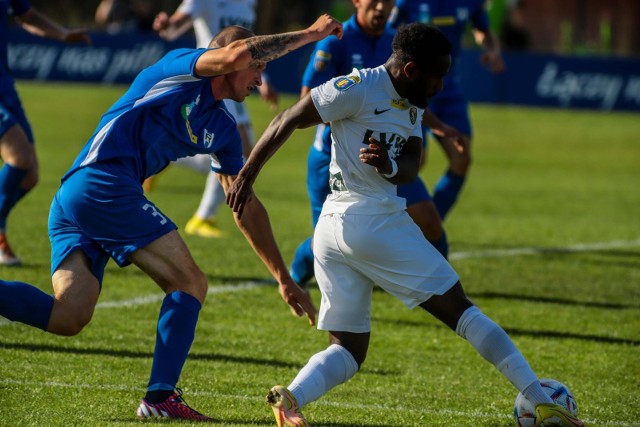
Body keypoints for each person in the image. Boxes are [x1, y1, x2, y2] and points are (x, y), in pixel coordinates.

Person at [226, 23, 584, 427]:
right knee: (462, 312)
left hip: (333, 231)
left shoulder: (409, 99)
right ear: (411, 69)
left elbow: (411, 163)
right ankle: (542, 401)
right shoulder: (358, 86)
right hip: (371, 222)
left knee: (348, 349)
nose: (441, 85)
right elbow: (288, 118)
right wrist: (246, 175)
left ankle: (291, 398)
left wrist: (389, 164)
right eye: (438, 75)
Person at [0, 15, 343, 421]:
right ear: (229, 61)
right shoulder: (179, 68)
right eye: (257, 68)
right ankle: (160, 397)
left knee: (68, 315)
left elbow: (244, 203)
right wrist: (311, 34)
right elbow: (235, 52)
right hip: (101, 183)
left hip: (83, 197)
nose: (260, 79)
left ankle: (159, 397)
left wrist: (283, 278)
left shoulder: (222, 126)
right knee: (190, 281)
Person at [290, 0, 462, 289]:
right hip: (334, 158)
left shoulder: (397, 44)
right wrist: (349, 124)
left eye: (388, 0)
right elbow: (309, 96)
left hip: (388, 153)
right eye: (375, 0)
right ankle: (296, 273)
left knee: (430, 222)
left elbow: (411, 96)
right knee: (329, 236)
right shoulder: (336, 41)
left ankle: (440, 290)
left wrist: (439, 127)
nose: (382, 7)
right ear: (357, 1)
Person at [149, 0, 279, 238]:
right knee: (239, 151)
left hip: (237, 79)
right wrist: (166, 24)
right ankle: (203, 217)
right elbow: (175, 27)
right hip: (214, 79)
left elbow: (249, 47)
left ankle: (165, 159)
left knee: (234, 152)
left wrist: (265, 80)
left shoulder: (249, 3)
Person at [390, 0, 504, 221]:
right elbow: (388, 33)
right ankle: (387, 217)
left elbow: (483, 31)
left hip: (449, 91)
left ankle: (429, 225)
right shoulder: (405, 3)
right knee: (416, 160)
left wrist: (492, 50)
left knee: (462, 158)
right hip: (415, 90)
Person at [0, 0, 90, 265]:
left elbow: (27, 15)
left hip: (5, 87)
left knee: (29, 176)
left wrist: (62, 33)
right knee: (19, 157)